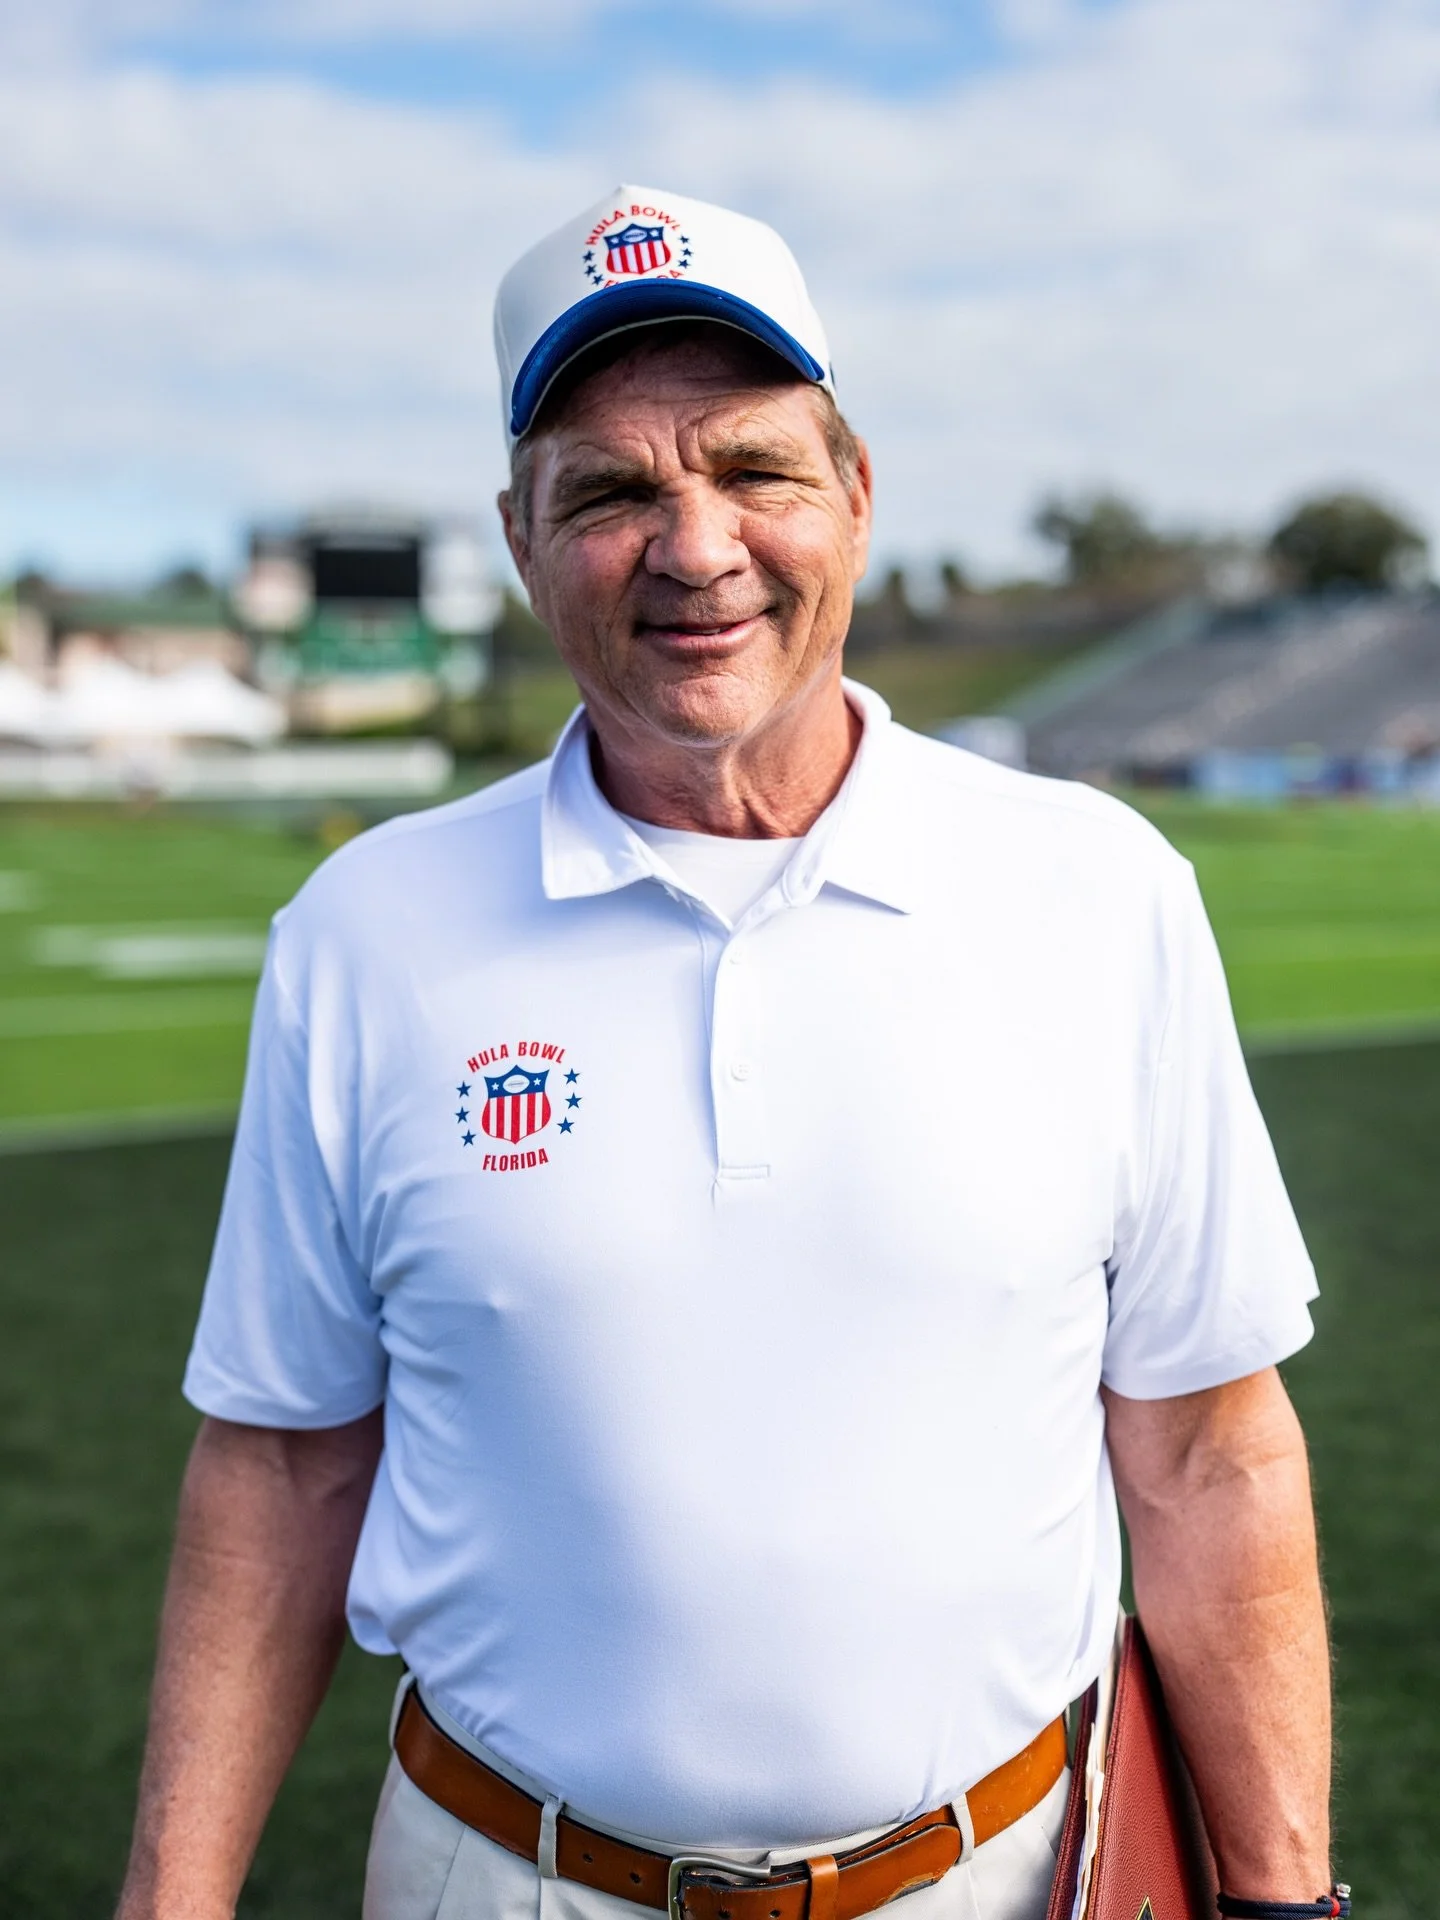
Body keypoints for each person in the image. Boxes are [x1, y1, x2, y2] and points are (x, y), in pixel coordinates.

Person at [117, 186, 1334, 1920]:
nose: (695, 549)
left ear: (852, 492)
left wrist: (1286, 1897)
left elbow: (1211, 1444)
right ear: (523, 540)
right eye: (610, 491)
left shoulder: (1099, 892)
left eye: (755, 469)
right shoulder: (366, 933)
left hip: (1003, 1877)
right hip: (502, 1880)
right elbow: (288, 1457)